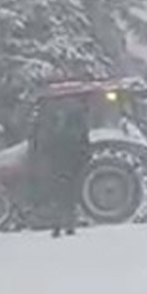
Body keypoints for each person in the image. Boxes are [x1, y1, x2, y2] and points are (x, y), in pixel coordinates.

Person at [42, 102, 92, 238]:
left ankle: (57, 226)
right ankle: (69, 225)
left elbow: (49, 147)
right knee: (69, 197)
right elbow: (85, 149)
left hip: (60, 165)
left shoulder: (57, 129)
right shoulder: (79, 129)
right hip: (72, 165)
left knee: (59, 196)